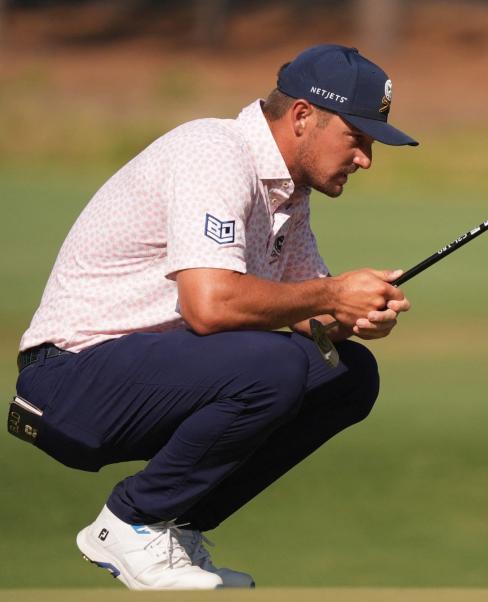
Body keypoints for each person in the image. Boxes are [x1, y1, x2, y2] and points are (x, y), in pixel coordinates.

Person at [10, 44, 416, 590]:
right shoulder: (214, 151)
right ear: (302, 117)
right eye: (358, 138)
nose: (366, 158)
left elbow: (307, 311)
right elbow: (209, 306)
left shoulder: (287, 193)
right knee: (273, 366)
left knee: (347, 374)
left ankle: (172, 531)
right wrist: (331, 293)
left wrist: (354, 313)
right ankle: (130, 522)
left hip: (149, 375)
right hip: (67, 379)